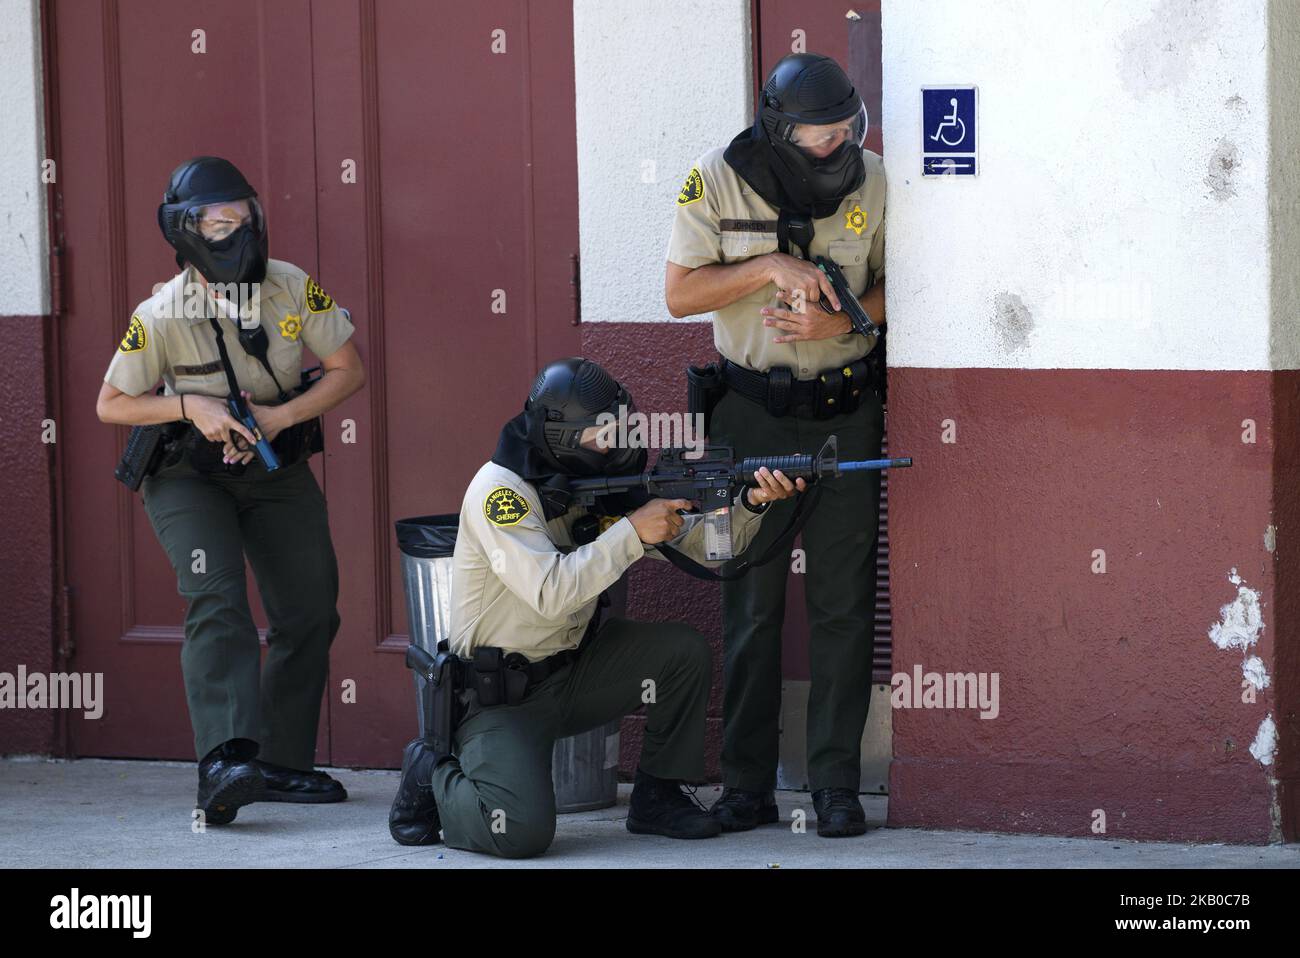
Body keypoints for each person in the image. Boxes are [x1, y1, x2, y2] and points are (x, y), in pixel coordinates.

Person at [387, 357, 805, 858]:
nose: (617, 444)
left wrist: (752, 504)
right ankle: (433, 771)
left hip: (575, 675)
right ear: (562, 436)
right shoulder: (501, 494)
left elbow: (710, 550)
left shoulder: (596, 476)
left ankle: (657, 796)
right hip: (501, 698)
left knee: (681, 652)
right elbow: (551, 593)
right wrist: (632, 532)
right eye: (602, 435)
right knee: (517, 833)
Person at [95, 156, 366, 824]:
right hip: (190, 476)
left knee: (310, 607)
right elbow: (111, 404)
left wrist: (280, 415)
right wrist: (189, 406)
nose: (235, 231)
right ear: (187, 232)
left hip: (273, 465)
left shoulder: (293, 287)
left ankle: (279, 763)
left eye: (243, 217)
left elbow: (346, 369)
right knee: (216, 597)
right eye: (219, 223)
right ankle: (224, 762)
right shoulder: (159, 313)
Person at [664, 53, 887, 837]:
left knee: (842, 603)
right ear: (777, 127)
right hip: (750, 414)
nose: (833, 150)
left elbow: (906, 290)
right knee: (750, 602)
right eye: (816, 139)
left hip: (844, 411)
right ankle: (748, 786)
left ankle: (834, 785)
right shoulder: (715, 179)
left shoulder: (877, 182)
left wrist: (847, 318)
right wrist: (765, 263)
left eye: (843, 135)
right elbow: (681, 292)